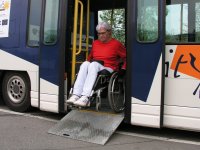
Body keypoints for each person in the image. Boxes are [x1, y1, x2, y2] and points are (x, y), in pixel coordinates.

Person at [66, 22, 126, 107]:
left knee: (93, 64)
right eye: (99, 34)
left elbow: (126, 57)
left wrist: (123, 69)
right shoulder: (95, 43)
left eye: (103, 33)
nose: (101, 35)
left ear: (109, 32)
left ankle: (86, 97)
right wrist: (86, 64)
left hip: (108, 67)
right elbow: (90, 57)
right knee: (85, 63)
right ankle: (76, 94)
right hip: (95, 66)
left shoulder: (116, 44)